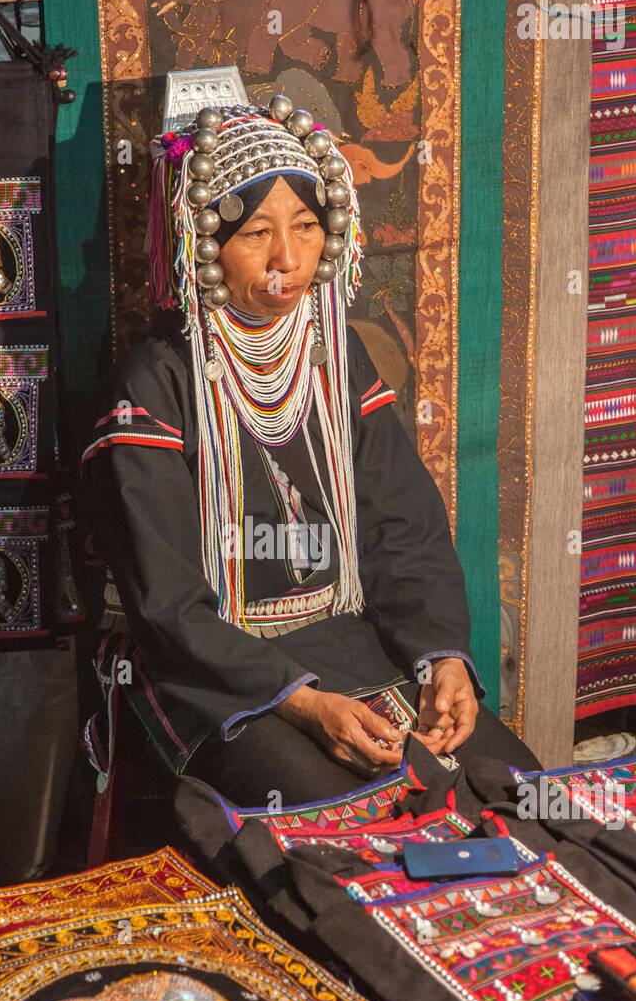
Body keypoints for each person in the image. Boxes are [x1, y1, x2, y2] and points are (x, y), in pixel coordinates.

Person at [86, 78, 540, 806]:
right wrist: (303, 703)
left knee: (518, 791)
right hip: (212, 675)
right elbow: (165, 600)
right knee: (344, 824)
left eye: (304, 226)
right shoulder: (153, 383)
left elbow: (403, 526)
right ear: (206, 242)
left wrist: (440, 659)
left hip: (345, 638)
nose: (286, 258)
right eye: (256, 233)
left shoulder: (335, 356)